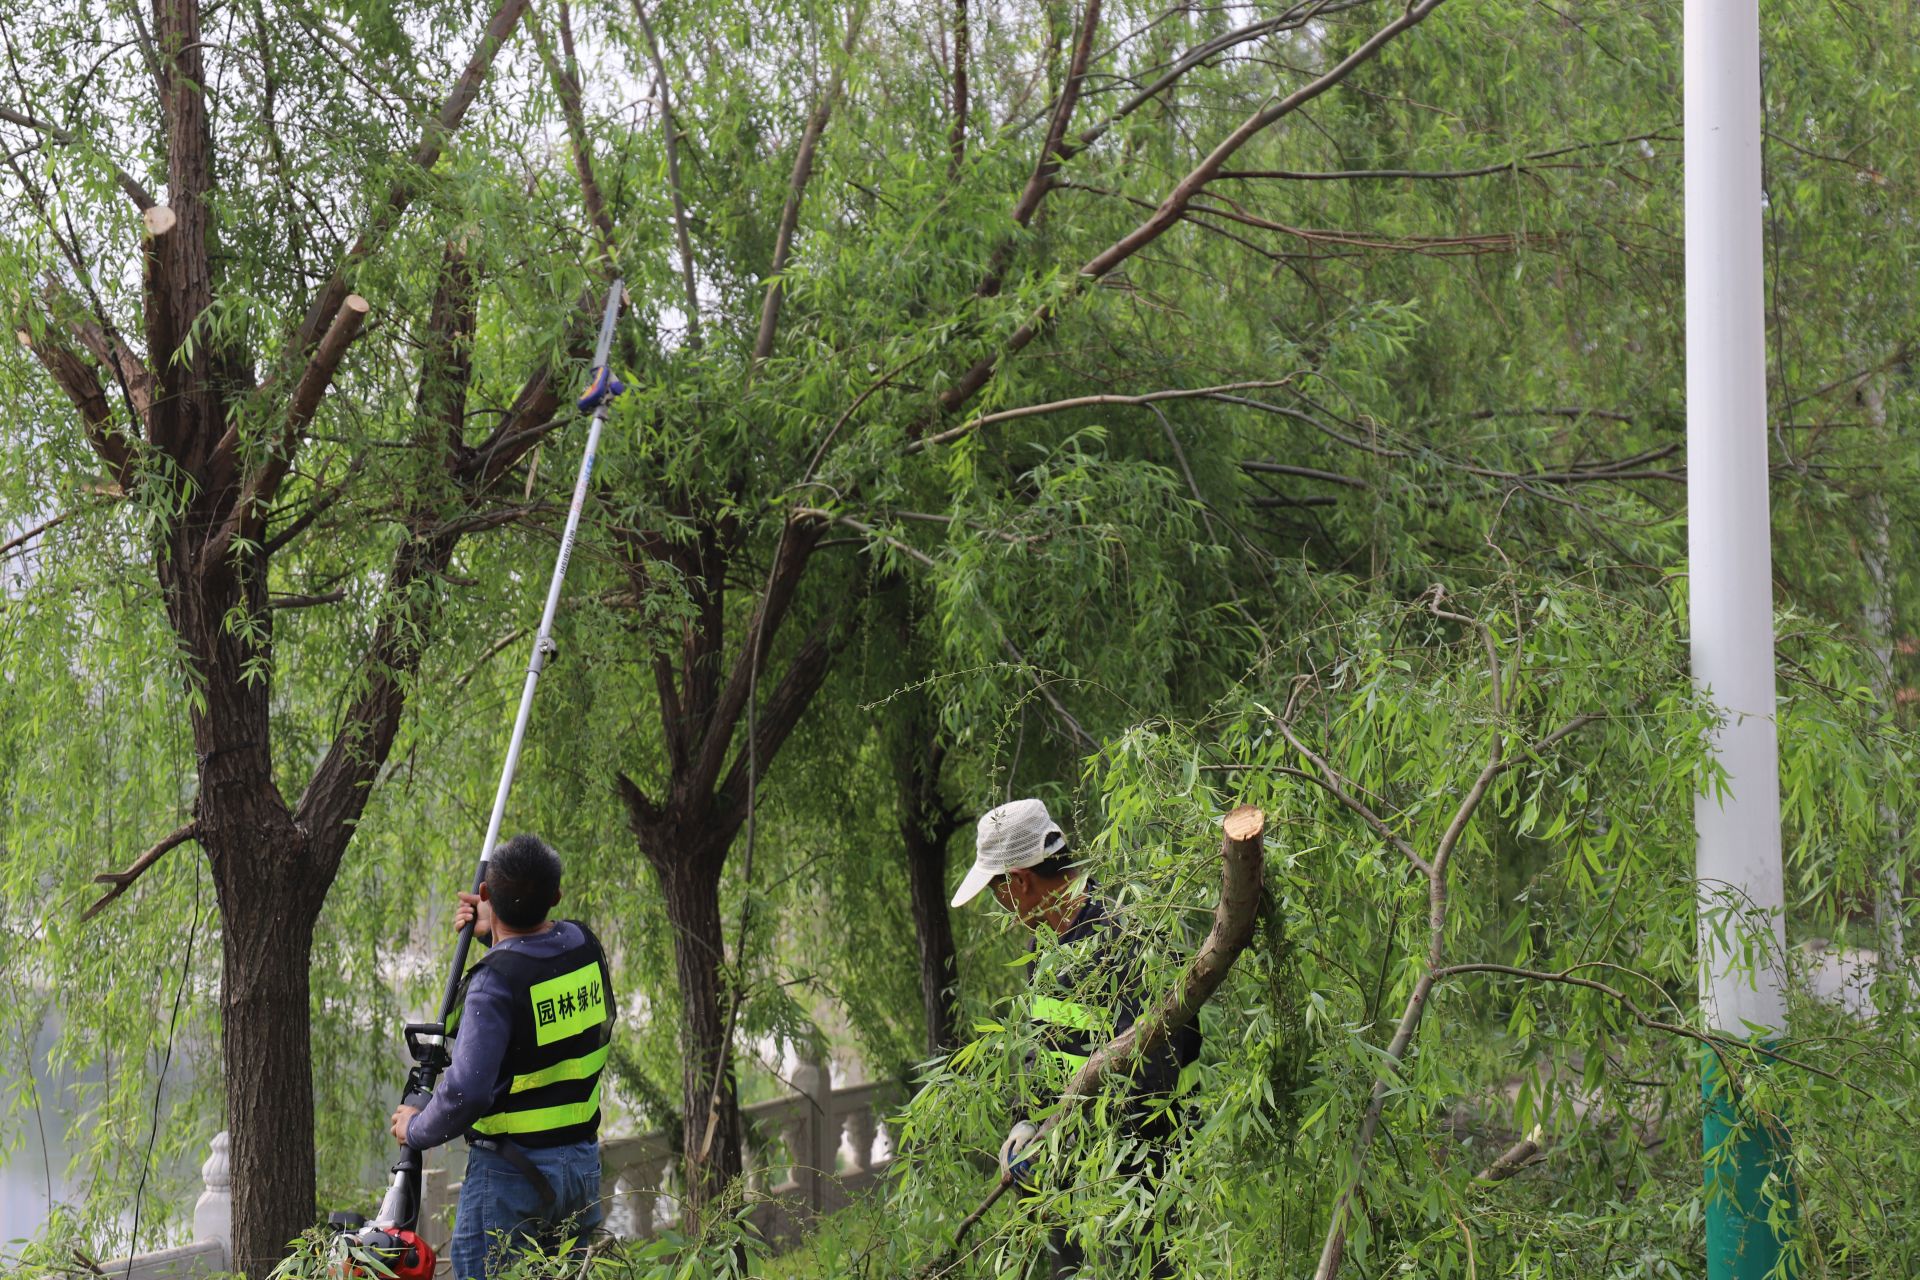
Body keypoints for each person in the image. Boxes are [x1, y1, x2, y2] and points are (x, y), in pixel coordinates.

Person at [950, 798, 1199, 1278]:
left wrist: (1067, 1131)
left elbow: (1158, 1066)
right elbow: (1040, 1051)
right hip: (1063, 1180)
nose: (1001, 907)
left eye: (998, 892)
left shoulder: (1126, 934)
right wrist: (1025, 1123)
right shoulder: (1041, 949)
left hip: (1133, 1177)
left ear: (1020, 881)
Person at [389, 835, 615, 1280]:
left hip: (513, 1179)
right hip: (581, 1167)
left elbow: (466, 1091)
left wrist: (415, 1128)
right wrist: (497, 938)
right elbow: (539, 983)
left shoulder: (494, 983)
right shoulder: (585, 946)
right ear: (556, 897)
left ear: (486, 895)